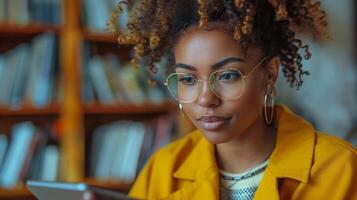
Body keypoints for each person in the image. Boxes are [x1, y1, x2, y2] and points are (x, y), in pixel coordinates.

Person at [108, 0, 357, 199]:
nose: (206, 99)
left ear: (269, 73)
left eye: (227, 75)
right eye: (188, 80)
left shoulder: (339, 167)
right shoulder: (162, 170)